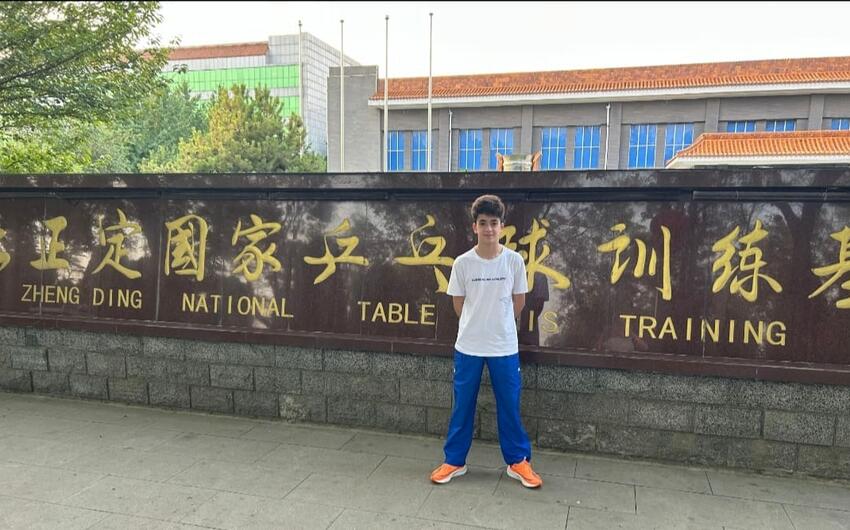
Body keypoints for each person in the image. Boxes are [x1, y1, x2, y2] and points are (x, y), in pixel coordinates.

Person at [429, 194, 542, 489]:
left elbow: (519, 302)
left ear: (502, 226)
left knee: (509, 405)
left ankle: (518, 462)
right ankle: (455, 461)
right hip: (468, 346)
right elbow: (458, 304)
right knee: (462, 406)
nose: (489, 228)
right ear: (474, 227)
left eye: (494, 223)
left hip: (504, 347)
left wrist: (497, 323)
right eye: (483, 223)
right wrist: (478, 323)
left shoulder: (513, 261)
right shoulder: (463, 263)